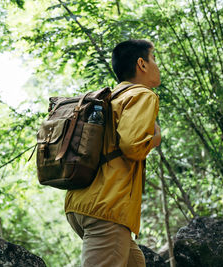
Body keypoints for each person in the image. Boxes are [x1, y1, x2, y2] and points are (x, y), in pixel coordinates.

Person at [65, 39, 161, 267]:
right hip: (107, 209)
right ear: (142, 64)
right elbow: (132, 146)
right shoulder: (141, 95)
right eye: (154, 58)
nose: (157, 65)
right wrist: (155, 139)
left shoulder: (111, 97)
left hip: (81, 202)